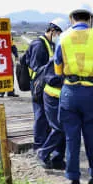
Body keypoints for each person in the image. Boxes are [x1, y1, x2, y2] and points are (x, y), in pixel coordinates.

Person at [54, 9, 93, 184]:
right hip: (91, 92)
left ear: (71, 19)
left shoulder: (62, 37)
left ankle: (73, 181)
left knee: (72, 138)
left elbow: (57, 67)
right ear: (90, 20)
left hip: (69, 92)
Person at [25, 18, 63, 151]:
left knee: (46, 116)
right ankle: (39, 145)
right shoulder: (39, 45)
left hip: (43, 83)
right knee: (40, 115)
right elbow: (37, 67)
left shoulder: (49, 44)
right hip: (38, 84)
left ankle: (46, 143)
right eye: (59, 33)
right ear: (52, 31)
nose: (59, 37)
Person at [36, 58, 66, 170]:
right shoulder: (57, 59)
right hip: (53, 98)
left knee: (65, 128)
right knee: (59, 128)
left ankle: (58, 159)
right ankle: (43, 153)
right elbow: (51, 79)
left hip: (66, 98)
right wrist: (69, 80)